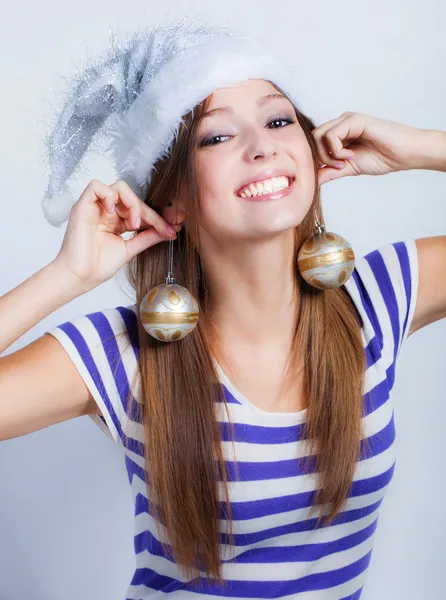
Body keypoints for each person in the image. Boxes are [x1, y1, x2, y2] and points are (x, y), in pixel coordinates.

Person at [1, 17, 446, 600]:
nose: (262, 147)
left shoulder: (378, 298)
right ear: (173, 197)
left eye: (279, 120)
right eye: (217, 136)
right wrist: (67, 276)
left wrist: (424, 148)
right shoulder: (120, 357)